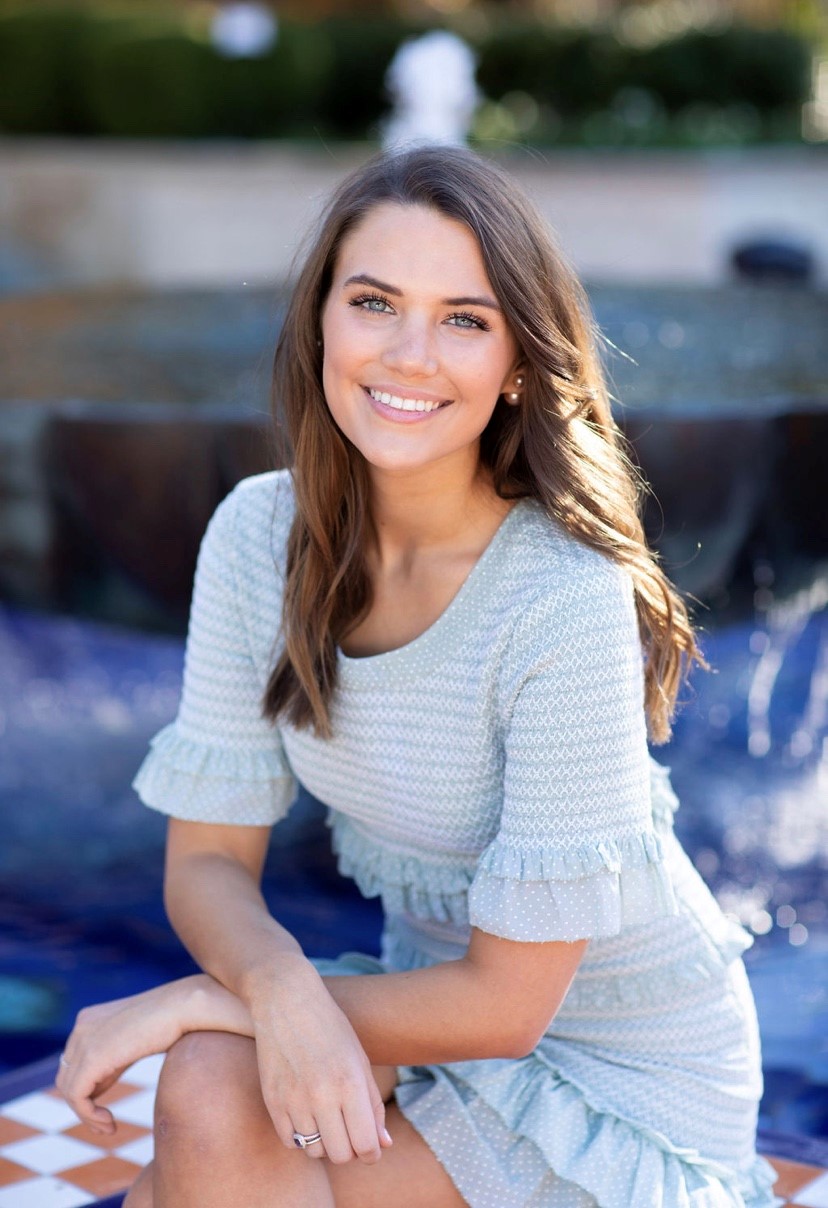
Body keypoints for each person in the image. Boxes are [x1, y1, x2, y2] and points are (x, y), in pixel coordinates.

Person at [57, 145, 778, 1208]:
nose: (408, 353)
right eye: (375, 301)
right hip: (431, 1011)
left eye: (465, 319)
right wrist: (273, 989)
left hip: (619, 1068)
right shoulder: (260, 534)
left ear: (520, 363)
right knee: (207, 1093)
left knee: (204, 1143)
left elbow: (511, 1003)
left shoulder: (562, 598)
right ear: (320, 322)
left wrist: (194, 1002)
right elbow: (208, 855)